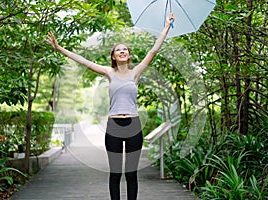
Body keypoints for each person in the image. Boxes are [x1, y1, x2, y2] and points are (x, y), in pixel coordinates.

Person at [47, 13, 174, 200]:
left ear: (129, 55)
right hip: (114, 126)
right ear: (113, 56)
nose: (122, 52)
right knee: (115, 174)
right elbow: (83, 61)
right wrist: (59, 49)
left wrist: (165, 27)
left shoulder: (135, 73)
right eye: (118, 50)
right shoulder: (109, 72)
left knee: (131, 174)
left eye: (125, 50)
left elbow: (153, 51)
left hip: (133, 125)